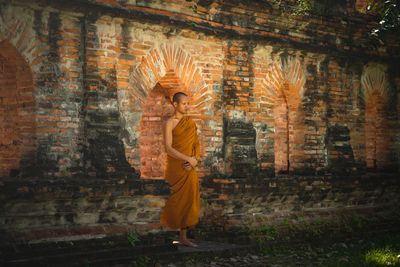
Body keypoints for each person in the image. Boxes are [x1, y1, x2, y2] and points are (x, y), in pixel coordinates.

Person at [160, 92, 200, 247]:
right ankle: (165, 233)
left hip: (190, 168)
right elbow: (168, 148)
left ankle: (183, 237)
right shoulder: (169, 123)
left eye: (187, 103)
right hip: (176, 167)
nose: (187, 106)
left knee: (188, 201)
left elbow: (196, 144)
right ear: (175, 104)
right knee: (173, 200)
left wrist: (194, 160)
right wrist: (187, 159)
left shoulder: (190, 122)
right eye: (184, 103)